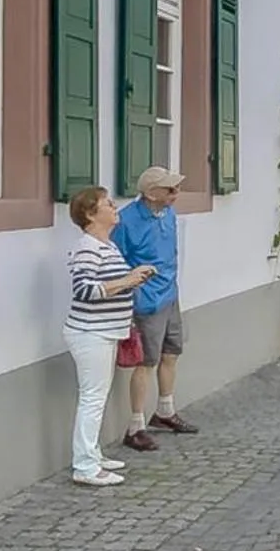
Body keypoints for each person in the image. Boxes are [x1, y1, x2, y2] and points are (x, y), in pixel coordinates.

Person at [63, 186, 156, 487]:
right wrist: (126, 280)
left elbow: (109, 284)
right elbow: (85, 289)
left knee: (97, 398)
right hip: (91, 332)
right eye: (108, 204)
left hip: (106, 331)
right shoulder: (87, 246)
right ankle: (85, 466)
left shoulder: (108, 245)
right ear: (91, 214)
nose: (115, 207)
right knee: (91, 399)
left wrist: (134, 277)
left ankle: (93, 454)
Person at [113, 166, 198, 451]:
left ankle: (165, 411)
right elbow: (116, 261)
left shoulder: (169, 214)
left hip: (170, 294)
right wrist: (134, 292)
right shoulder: (125, 221)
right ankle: (135, 426)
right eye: (170, 189)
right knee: (145, 362)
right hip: (146, 300)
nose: (176, 193)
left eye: (176, 188)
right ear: (151, 193)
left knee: (171, 352)